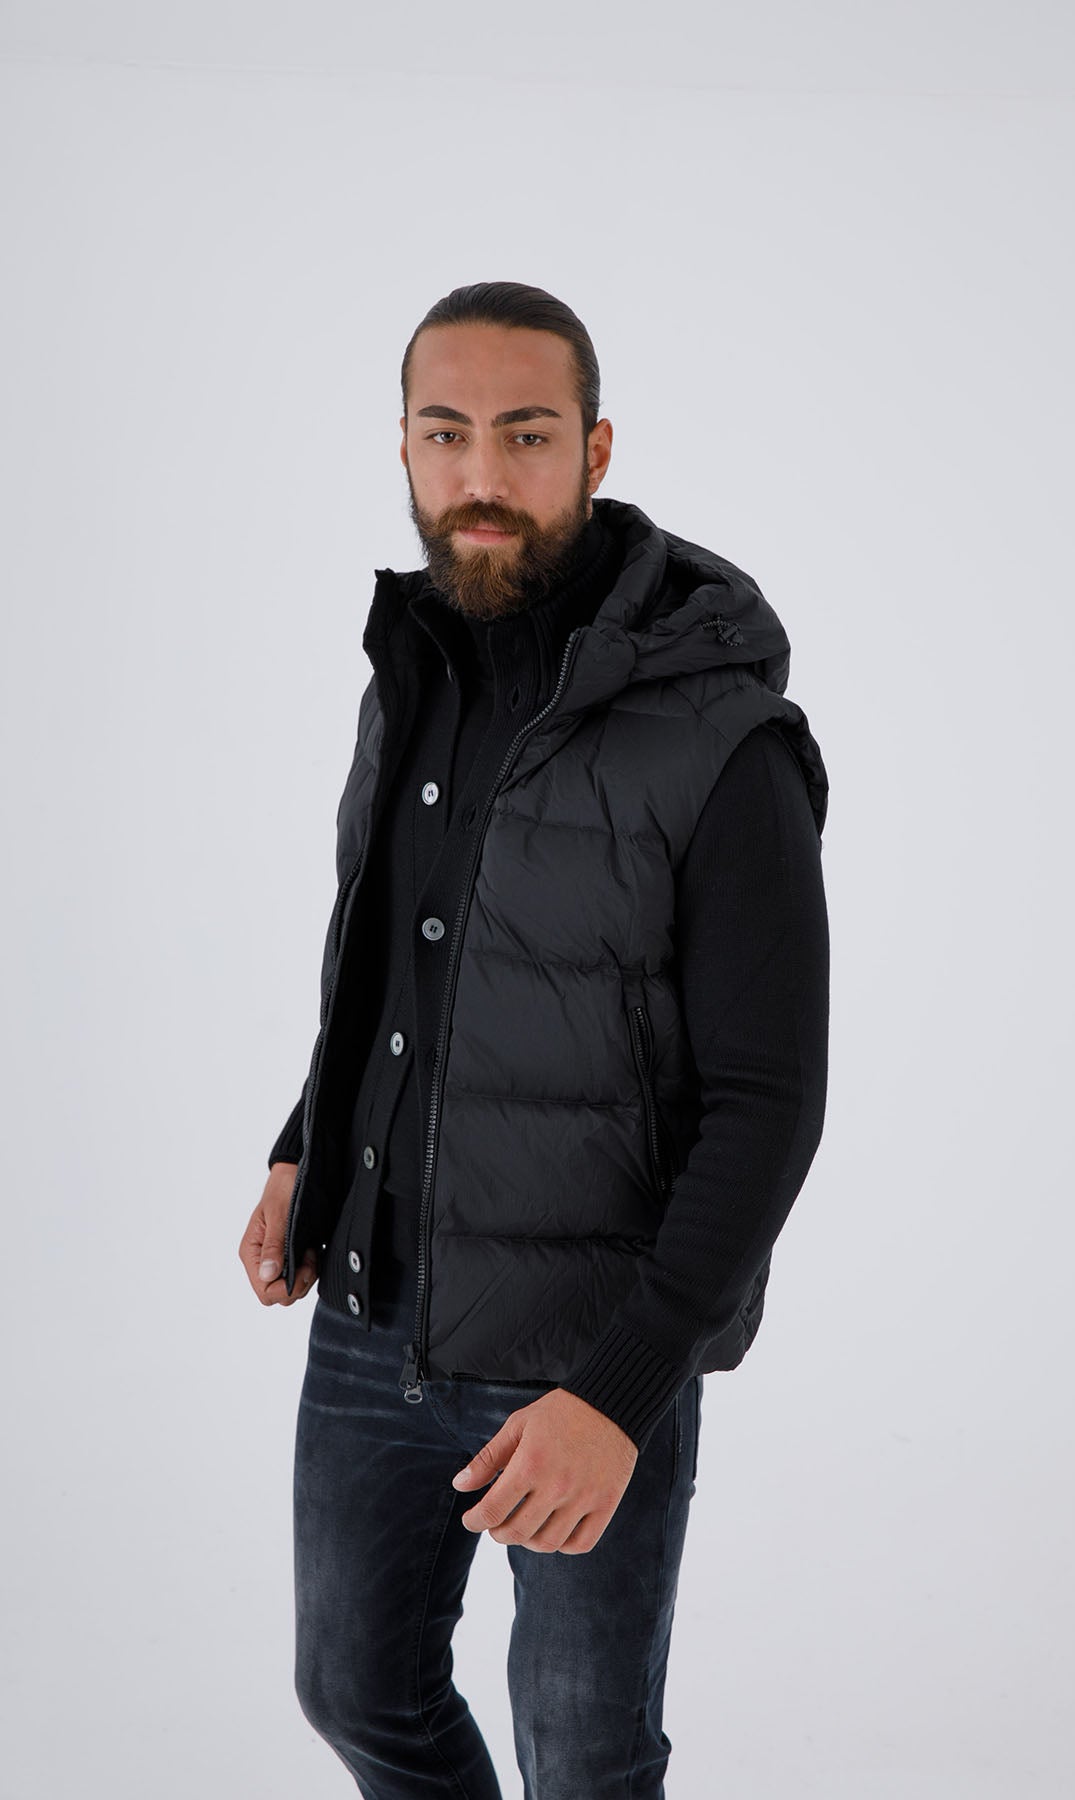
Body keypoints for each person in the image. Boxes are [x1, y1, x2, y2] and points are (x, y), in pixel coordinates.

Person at [238, 280, 830, 1799]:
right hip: (370, 1317)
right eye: (447, 434)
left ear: (595, 449)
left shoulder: (719, 734)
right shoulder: (413, 671)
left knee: (586, 1759)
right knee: (352, 1690)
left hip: (583, 1352)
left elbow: (769, 1101)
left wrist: (621, 1390)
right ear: (403, 448)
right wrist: (308, 1143)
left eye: (525, 433)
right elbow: (398, 960)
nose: (482, 474)